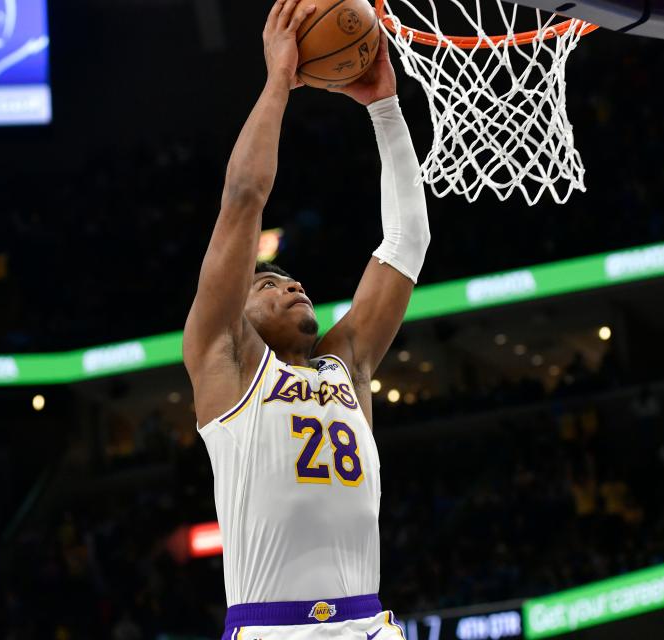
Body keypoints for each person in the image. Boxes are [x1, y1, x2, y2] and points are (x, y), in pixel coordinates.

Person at [181, 0, 430, 637]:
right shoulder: (226, 361)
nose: (292, 283)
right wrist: (278, 82)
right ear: (235, 307)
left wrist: (384, 108)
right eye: (267, 283)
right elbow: (243, 198)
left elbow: (406, 242)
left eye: (292, 279)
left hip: (371, 626)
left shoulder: (347, 362)